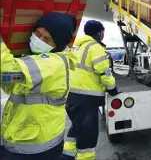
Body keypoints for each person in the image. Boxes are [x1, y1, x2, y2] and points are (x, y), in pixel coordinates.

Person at [0, 12, 77, 160]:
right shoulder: (36, 61)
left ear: (57, 45)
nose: (39, 39)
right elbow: (12, 79)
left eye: (47, 39)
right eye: (37, 33)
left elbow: (7, 71)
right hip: (22, 138)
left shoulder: (54, 63)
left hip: (34, 147)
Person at [62, 20, 119, 160]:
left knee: (76, 129)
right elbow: (104, 73)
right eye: (102, 32)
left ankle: (67, 155)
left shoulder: (76, 47)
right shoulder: (95, 48)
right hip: (86, 99)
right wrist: (113, 89)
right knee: (88, 135)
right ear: (100, 33)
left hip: (71, 96)